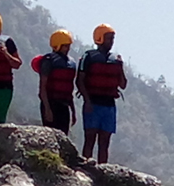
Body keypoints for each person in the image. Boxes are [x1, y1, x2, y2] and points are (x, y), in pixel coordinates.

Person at [77, 23, 127, 164]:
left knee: (104, 142)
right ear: (99, 38)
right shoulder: (89, 57)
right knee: (90, 138)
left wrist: (121, 66)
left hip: (109, 105)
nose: (111, 42)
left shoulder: (115, 60)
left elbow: (123, 85)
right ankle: (85, 166)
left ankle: (102, 170)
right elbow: (80, 81)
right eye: (108, 38)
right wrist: (87, 101)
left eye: (112, 38)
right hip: (93, 103)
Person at [32, 29, 77, 133]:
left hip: (64, 105)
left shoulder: (71, 63)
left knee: (63, 135)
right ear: (57, 45)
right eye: (65, 46)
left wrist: (73, 111)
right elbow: (42, 88)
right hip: (51, 104)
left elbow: (70, 90)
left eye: (69, 46)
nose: (68, 49)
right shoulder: (48, 61)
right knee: (50, 135)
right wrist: (47, 109)